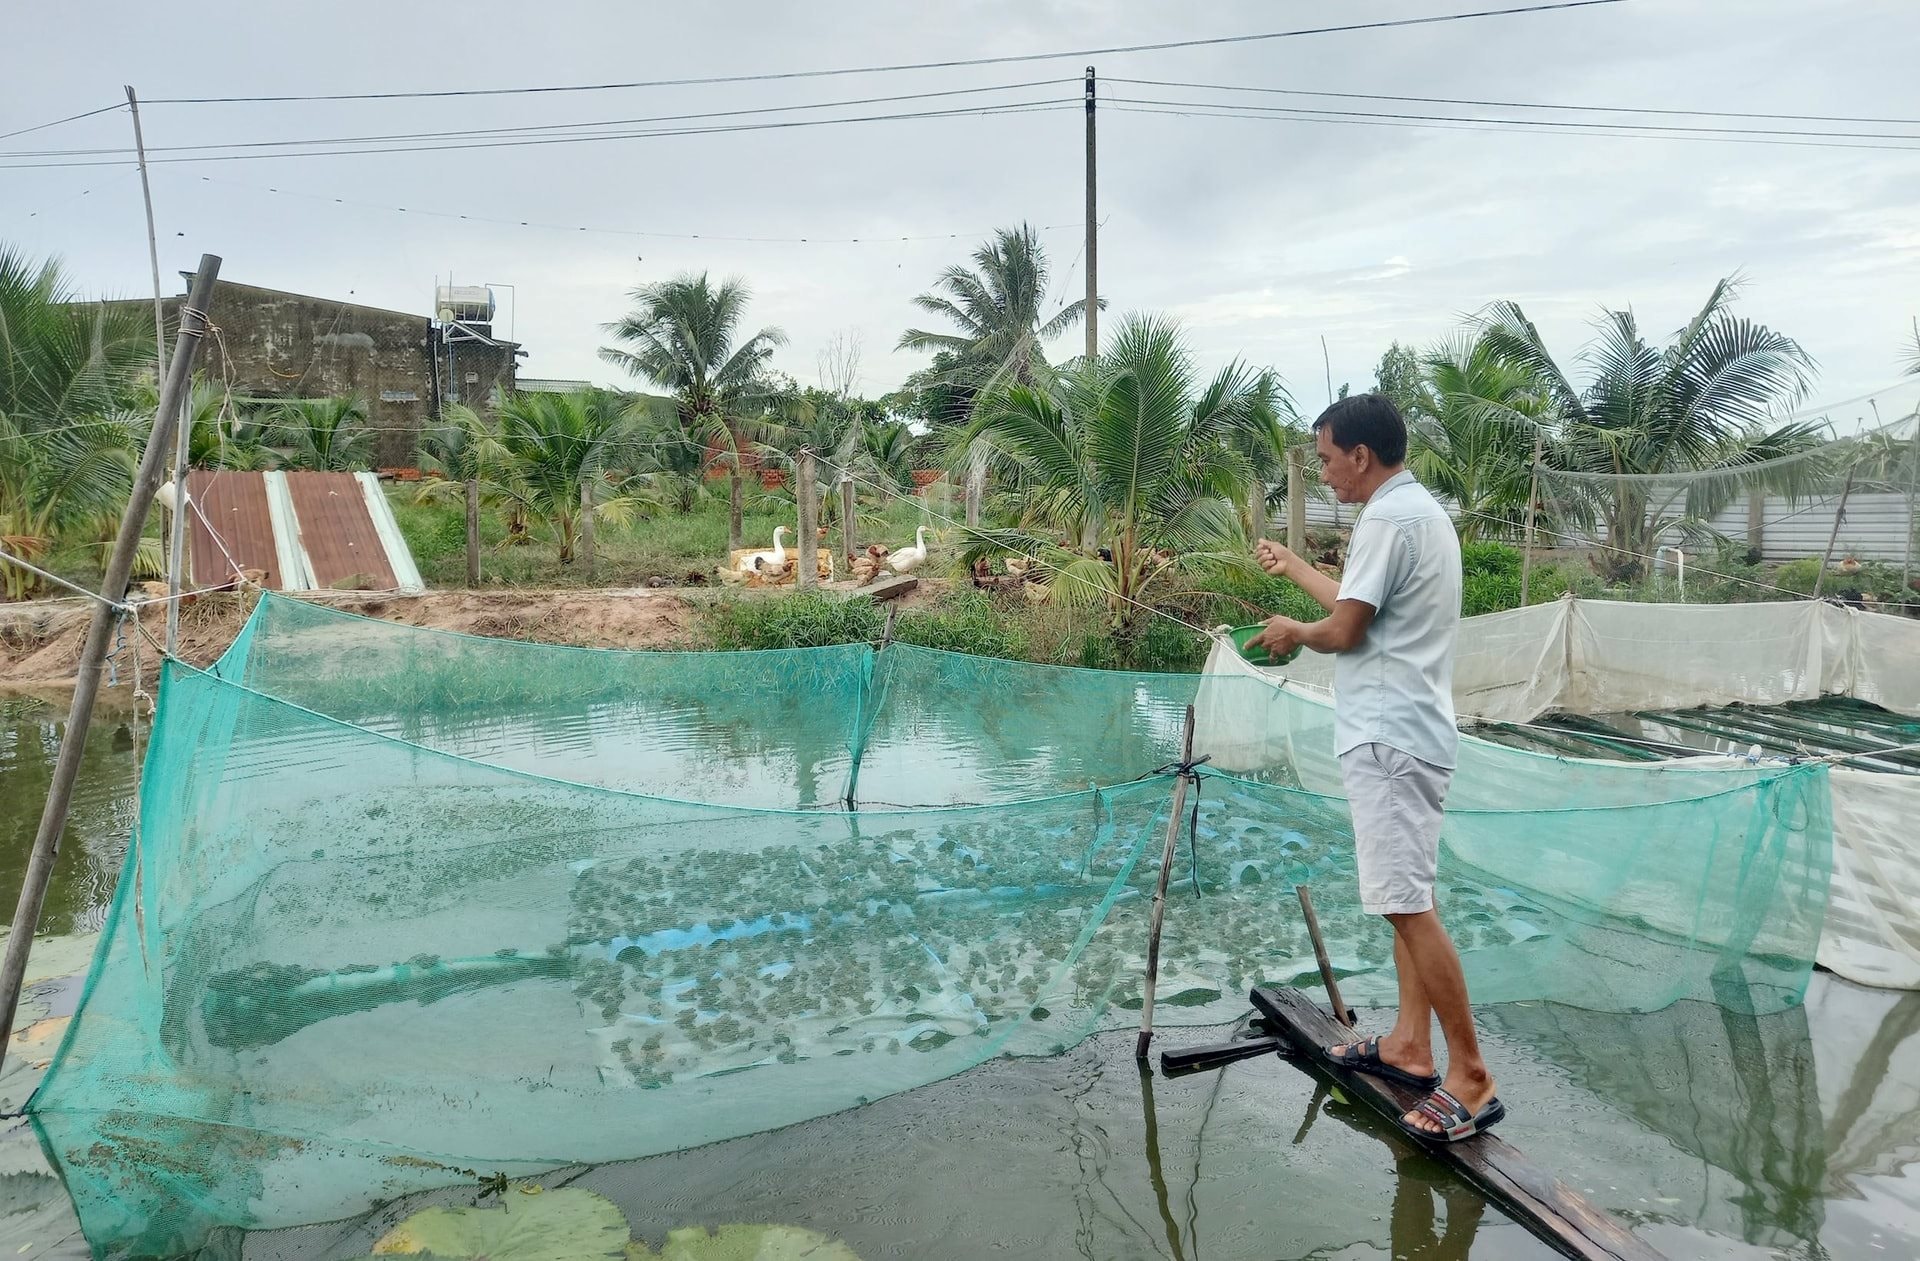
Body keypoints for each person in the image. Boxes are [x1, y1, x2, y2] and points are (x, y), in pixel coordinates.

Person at [1247, 392, 1502, 1143]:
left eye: (1326, 459)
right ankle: (1410, 1046)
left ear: (1360, 454)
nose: (1325, 473)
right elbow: (1359, 604)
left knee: (1406, 905)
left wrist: (1296, 631)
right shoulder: (1414, 511)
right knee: (1406, 895)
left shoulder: (1389, 517)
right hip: (1410, 731)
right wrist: (1295, 568)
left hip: (1391, 736)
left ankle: (1472, 1074)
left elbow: (1347, 628)